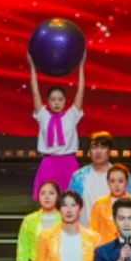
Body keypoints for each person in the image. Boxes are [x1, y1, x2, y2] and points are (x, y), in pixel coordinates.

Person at [28, 57, 86, 198]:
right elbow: (35, 93)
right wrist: (32, 67)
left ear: (65, 101)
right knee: (48, 199)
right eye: (53, 100)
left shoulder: (72, 115)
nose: (57, 103)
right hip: (49, 162)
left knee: (72, 199)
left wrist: (81, 66)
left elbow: (80, 92)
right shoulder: (43, 116)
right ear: (47, 101)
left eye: (60, 99)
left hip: (69, 163)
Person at [88, 164, 131, 242]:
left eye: (120, 181)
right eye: (112, 181)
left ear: (126, 182)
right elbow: (92, 234)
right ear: (108, 183)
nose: (116, 185)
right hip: (105, 248)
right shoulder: (99, 205)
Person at [68, 132, 116, 214]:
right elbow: (71, 205)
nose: (98, 151)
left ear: (110, 151)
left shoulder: (121, 176)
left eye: (103, 147)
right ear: (89, 151)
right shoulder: (78, 177)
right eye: (94, 147)